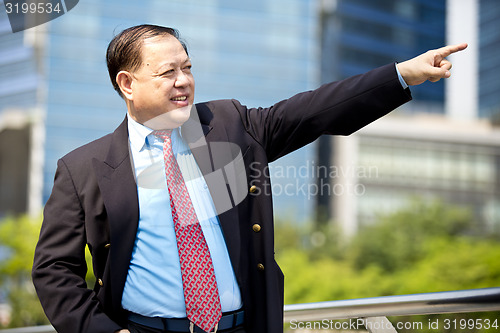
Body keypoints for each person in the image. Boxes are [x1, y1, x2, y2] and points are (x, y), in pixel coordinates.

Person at [32, 24, 467, 333]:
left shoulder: (229, 124)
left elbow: (311, 110)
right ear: (127, 83)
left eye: (187, 67)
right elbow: (54, 270)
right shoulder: (82, 168)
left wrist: (402, 75)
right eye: (168, 73)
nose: (184, 82)